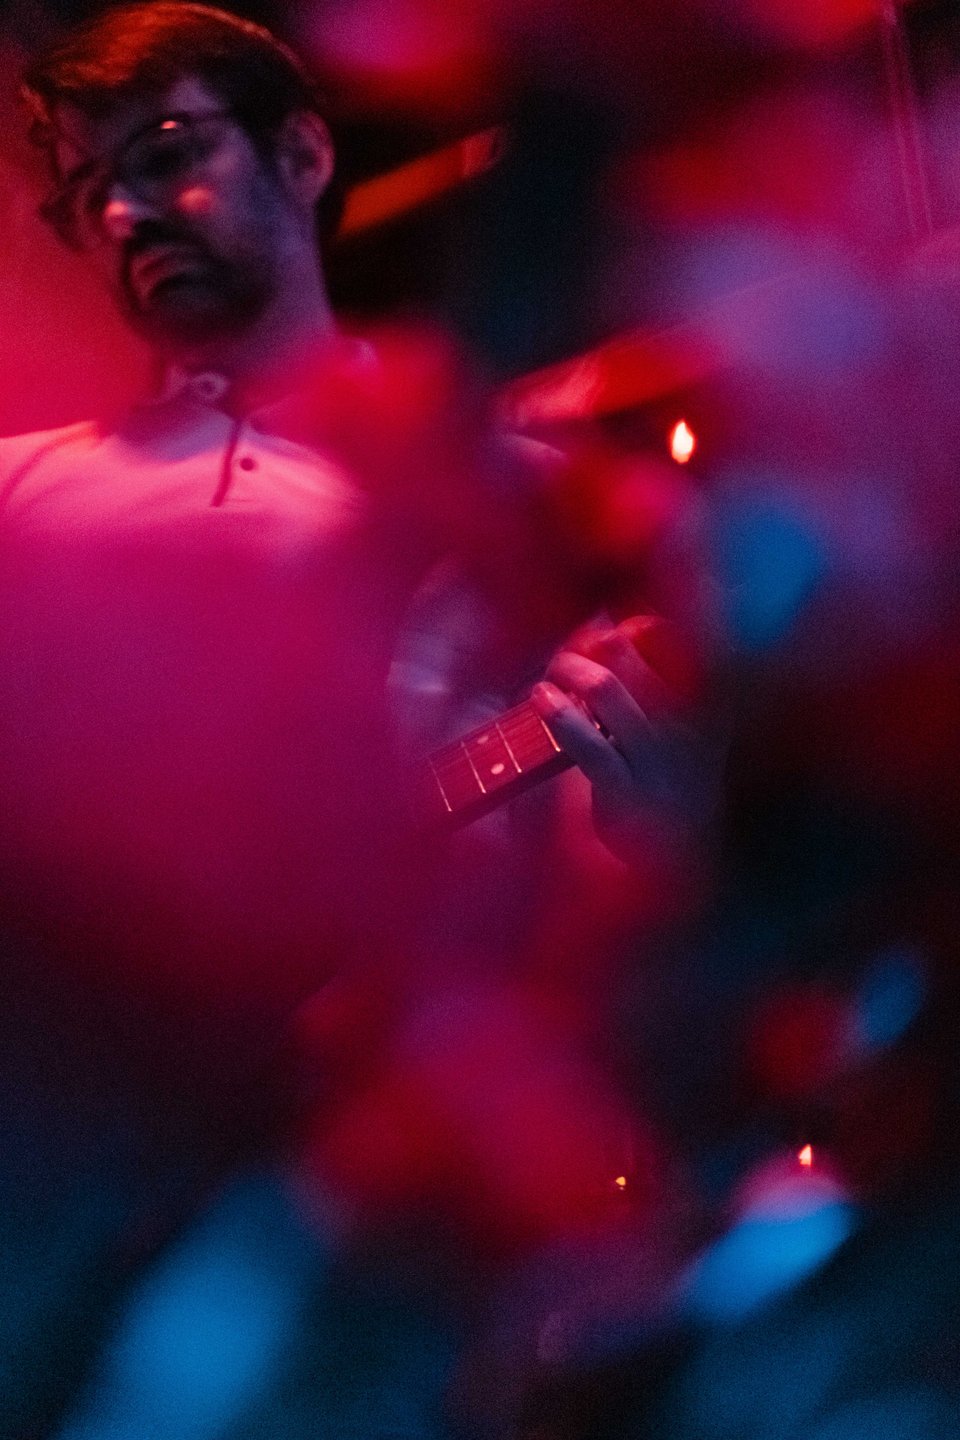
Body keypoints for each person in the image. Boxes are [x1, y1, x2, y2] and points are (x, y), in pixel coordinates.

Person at [0, 4, 720, 1434]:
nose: (132, 208)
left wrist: (644, 793)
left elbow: (640, 901)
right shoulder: (17, 493)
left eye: (166, 152)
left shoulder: (506, 482)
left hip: (388, 1199)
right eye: (90, 194)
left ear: (306, 152)